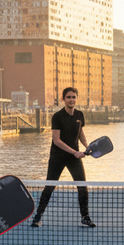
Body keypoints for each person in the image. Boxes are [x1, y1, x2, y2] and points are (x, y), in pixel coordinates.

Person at [30, 87, 95, 228]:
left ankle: (85, 217)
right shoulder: (57, 116)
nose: (71, 100)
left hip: (74, 158)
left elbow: (80, 133)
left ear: (77, 98)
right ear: (63, 99)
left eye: (73, 97)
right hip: (57, 158)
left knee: (82, 187)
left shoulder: (79, 115)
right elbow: (56, 140)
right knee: (49, 187)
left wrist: (87, 146)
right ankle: (38, 216)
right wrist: (74, 152)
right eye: (68, 97)